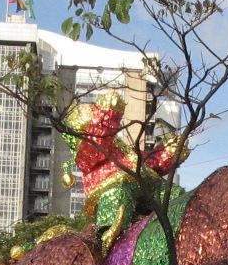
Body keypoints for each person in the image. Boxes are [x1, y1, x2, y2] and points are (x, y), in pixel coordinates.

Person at [61, 91, 187, 255]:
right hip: (113, 183)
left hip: (145, 183)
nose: (92, 110)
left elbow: (148, 162)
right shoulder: (85, 150)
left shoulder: (121, 147)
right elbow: (95, 147)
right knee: (118, 195)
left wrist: (169, 152)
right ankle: (108, 235)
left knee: (174, 193)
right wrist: (108, 114)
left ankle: (179, 230)